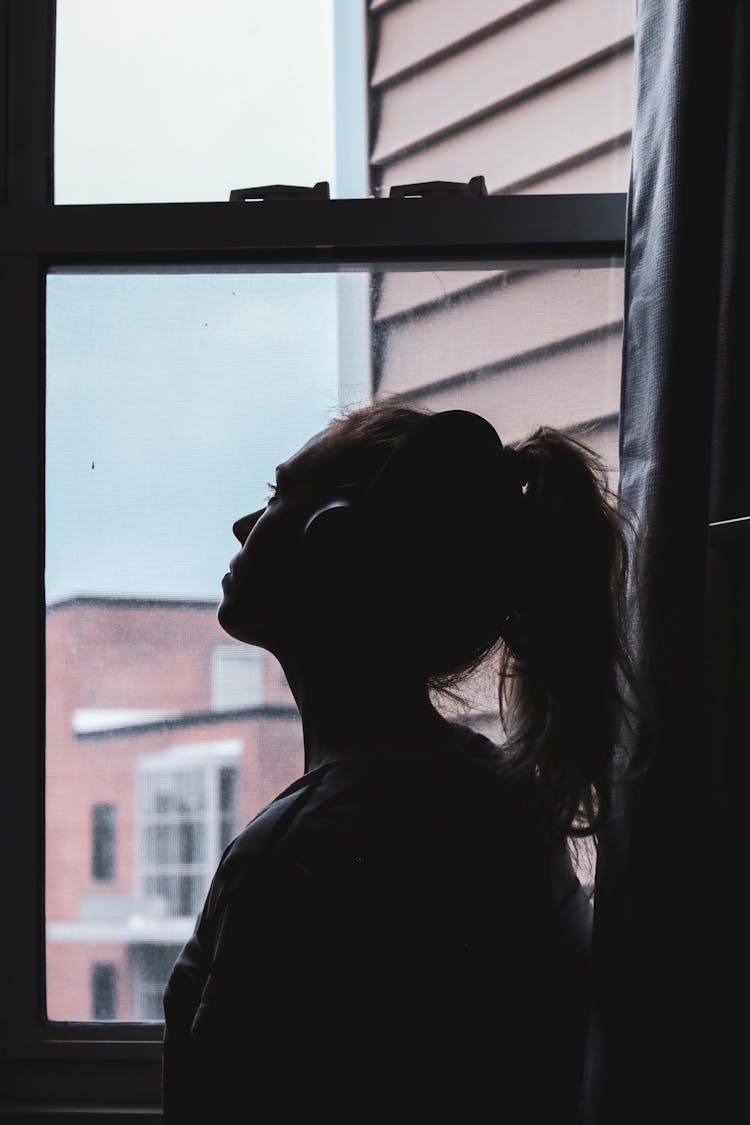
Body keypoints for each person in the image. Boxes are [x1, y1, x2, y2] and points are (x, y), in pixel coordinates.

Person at [161, 402, 636, 1123]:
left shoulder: (294, 856)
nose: (241, 526)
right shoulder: (505, 804)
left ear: (337, 542)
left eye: (274, 497)